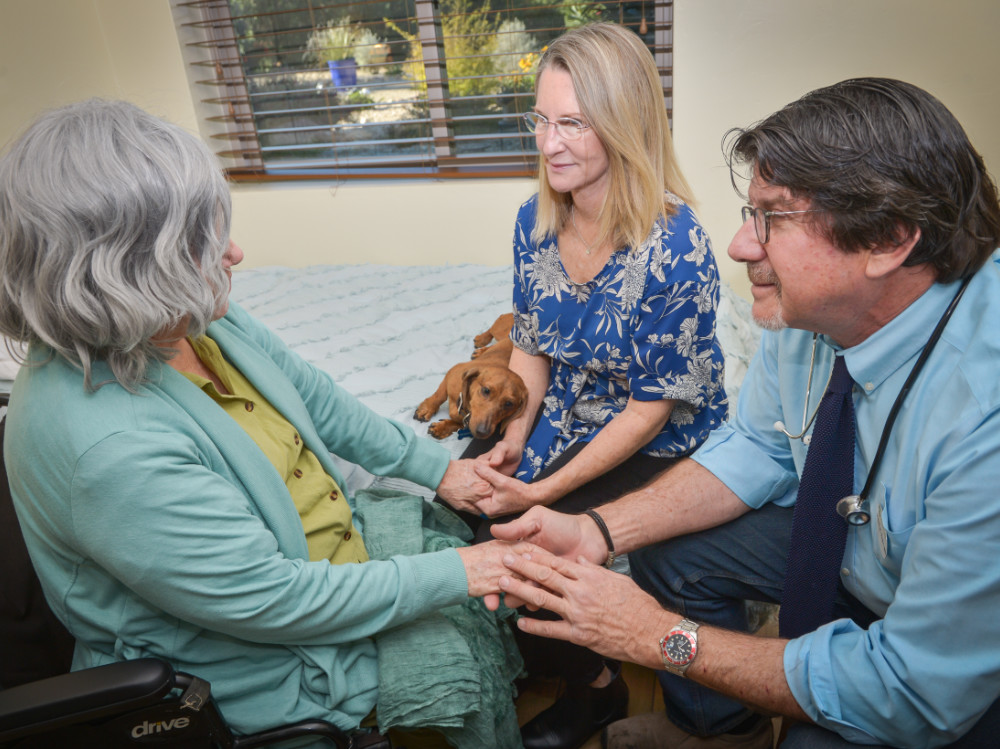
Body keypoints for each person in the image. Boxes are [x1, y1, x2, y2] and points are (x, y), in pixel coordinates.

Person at [0, 98, 534, 748]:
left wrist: (440, 469)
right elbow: (276, 600)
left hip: (327, 559)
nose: (235, 252)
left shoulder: (185, 318)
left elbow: (313, 396)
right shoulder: (111, 445)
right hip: (274, 667)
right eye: (199, 243)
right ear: (123, 276)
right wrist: (465, 571)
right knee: (469, 606)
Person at [491, 77, 1000, 749]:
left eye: (772, 216)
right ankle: (722, 730)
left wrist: (654, 635)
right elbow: (757, 446)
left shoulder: (983, 417)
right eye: (746, 211)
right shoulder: (808, 312)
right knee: (665, 552)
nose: (739, 245)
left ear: (888, 239)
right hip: (862, 553)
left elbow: (910, 690)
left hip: (934, 676)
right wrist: (597, 529)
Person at [437, 22, 728, 749]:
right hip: (565, 406)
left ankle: (595, 687)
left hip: (656, 434)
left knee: (522, 534)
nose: (548, 142)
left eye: (572, 123)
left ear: (624, 125)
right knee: (462, 506)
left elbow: (649, 410)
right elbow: (531, 346)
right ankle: (567, 668)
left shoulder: (678, 246)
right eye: (541, 119)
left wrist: (538, 490)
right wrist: (510, 444)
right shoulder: (534, 221)